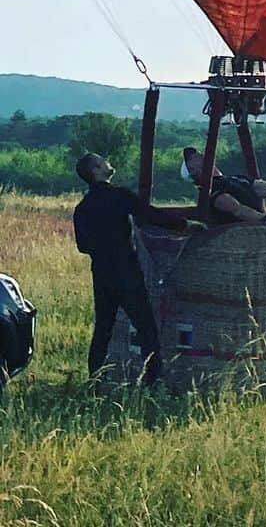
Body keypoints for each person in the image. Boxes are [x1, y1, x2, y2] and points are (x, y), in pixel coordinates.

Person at [72, 152, 196, 384]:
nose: (109, 163)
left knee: (103, 330)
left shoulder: (83, 208)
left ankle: (95, 380)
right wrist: (185, 225)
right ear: (96, 170)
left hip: (102, 275)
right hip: (127, 273)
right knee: (146, 327)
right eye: (104, 161)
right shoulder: (119, 196)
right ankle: (153, 379)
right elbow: (150, 215)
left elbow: (83, 246)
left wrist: (103, 248)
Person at [181, 146, 266, 226]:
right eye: (194, 158)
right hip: (244, 240)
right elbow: (238, 210)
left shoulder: (238, 179)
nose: (200, 154)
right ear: (193, 171)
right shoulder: (211, 193)